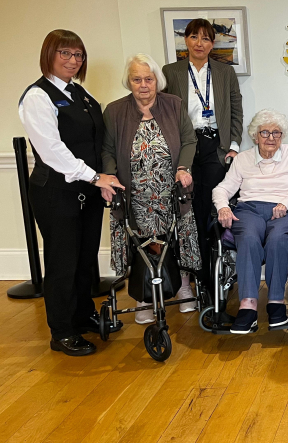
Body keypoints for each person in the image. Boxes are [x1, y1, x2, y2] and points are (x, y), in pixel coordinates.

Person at [19, 30, 124, 356]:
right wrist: (96, 178)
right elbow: (52, 151)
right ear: (48, 54)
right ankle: (62, 332)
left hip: (88, 190)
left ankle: (81, 316)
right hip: (56, 193)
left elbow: (94, 139)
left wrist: (102, 180)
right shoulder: (38, 97)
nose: (73, 60)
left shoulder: (79, 92)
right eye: (65, 53)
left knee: (83, 259)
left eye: (78, 55)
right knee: (63, 262)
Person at [102, 54, 200, 323]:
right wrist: (109, 176)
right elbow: (108, 149)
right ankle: (144, 296)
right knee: (142, 242)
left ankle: (182, 287)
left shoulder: (174, 104)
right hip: (135, 192)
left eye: (148, 78)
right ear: (129, 82)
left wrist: (183, 168)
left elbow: (189, 141)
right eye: (137, 79)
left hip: (172, 189)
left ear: (157, 80)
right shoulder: (114, 110)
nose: (143, 85)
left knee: (176, 239)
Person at [212, 110, 288, 333]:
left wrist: (286, 203)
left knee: (278, 238)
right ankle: (247, 305)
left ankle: (276, 303)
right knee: (248, 237)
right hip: (249, 209)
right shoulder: (243, 159)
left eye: (276, 133)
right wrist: (223, 207)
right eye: (265, 132)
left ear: (282, 136)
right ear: (255, 136)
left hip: (284, 210)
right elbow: (222, 189)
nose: (271, 138)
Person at [162, 18, 243, 295]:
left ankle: (213, 277)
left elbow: (235, 109)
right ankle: (190, 278)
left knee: (211, 209)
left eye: (206, 38)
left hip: (214, 147)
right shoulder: (170, 72)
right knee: (187, 213)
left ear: (213, 43)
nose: (200, 43)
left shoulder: (224, 72)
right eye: (194, 37)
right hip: (184, 146)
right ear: (186, 40)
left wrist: (233, 144)